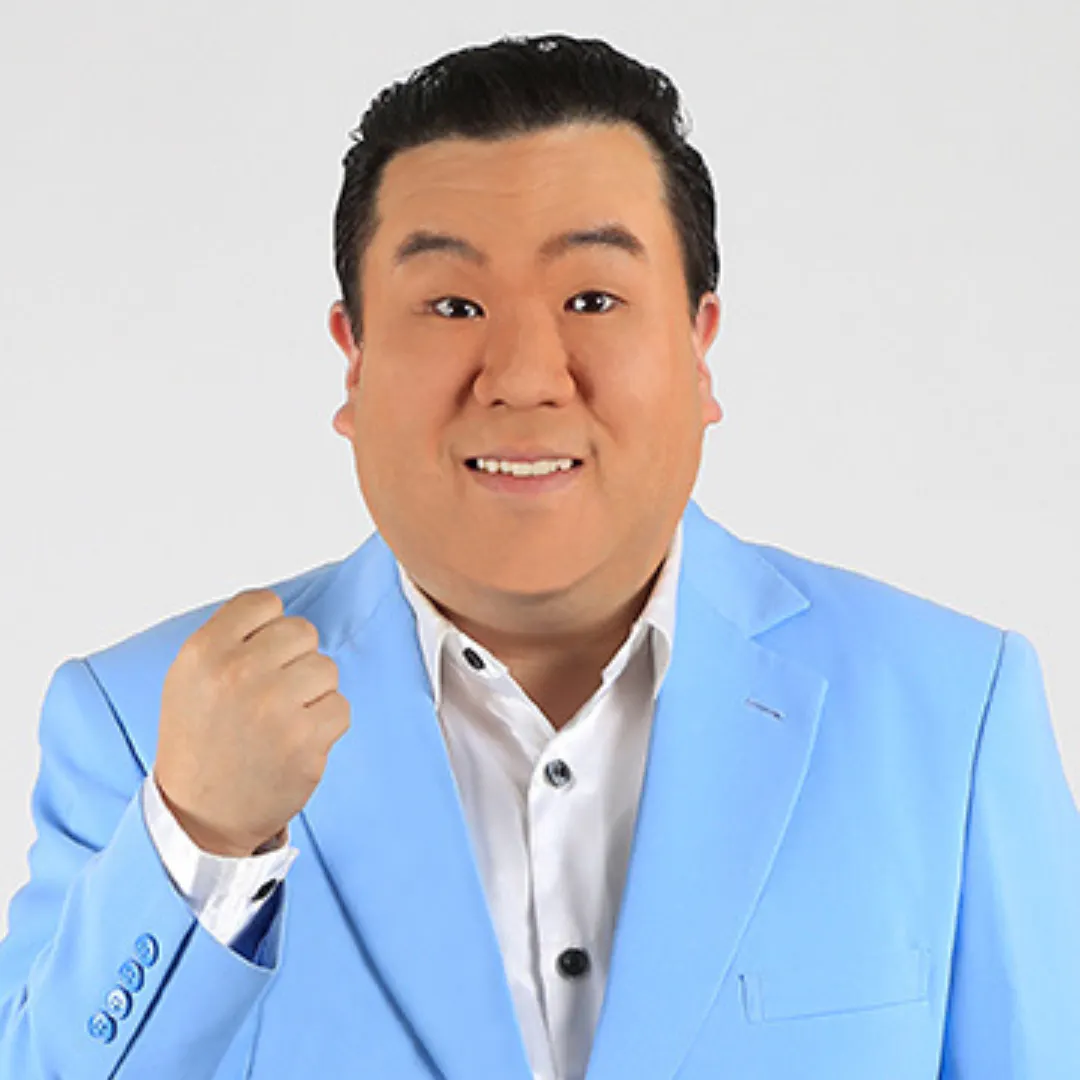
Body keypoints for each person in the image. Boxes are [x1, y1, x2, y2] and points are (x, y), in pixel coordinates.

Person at [0, 31, 1077, 1080]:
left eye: (592, 299)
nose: (521, 375)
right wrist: (199, 842)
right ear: (355, 361)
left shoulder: (950, 712)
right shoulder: (144, 722)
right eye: (452, 305)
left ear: (699, 348)